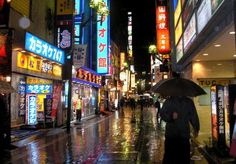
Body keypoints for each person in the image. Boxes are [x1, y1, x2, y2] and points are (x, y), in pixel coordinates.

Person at [160, 96, 200, 164]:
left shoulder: (188, 102)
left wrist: (196, 128)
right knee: (172, 157)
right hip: (173, 134)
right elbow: (163, 114)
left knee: (179, 157)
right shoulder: (169, 101)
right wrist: (171, 116)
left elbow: (193, 116)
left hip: (181, 135)